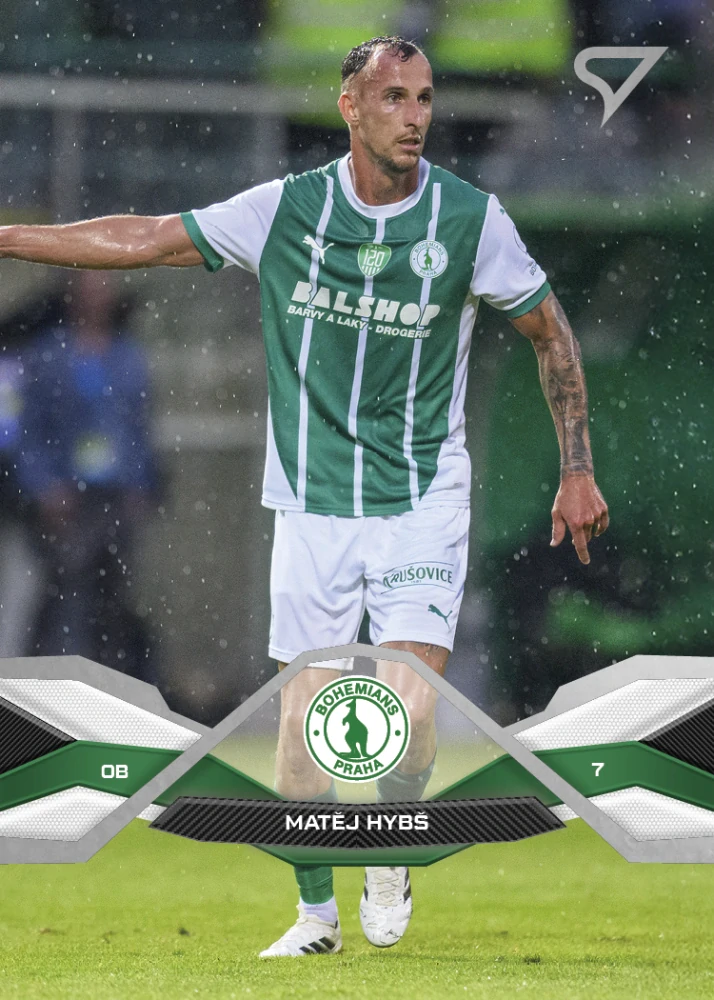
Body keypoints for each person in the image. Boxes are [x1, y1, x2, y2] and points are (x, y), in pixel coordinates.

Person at [0, 36, 608, 957]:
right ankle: (316, 915)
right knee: (306, 725)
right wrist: (9, 238)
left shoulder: (470, 220)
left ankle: (389, 851)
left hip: (422, 499)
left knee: (405, 709)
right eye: (394, 97)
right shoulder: (284, 212)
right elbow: (147, 236)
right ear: (349, 107)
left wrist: (577, 466)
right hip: (312, 504)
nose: (415, 116)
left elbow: (550, 332)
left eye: (425, 97)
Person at [16, 272, 158, 680]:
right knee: (64, 596)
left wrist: (140, 485)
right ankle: (52, 683)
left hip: (114, 496)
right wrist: (44, 487)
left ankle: (110, 682)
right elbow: (31, 430)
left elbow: (139, 428)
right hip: (65, 498)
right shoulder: (48, 354)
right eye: (88, 290)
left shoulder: (128, 357)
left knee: (114, 599)